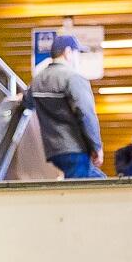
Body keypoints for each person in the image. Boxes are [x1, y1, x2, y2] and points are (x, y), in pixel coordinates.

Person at [29, 33, 104, 180]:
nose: (78, 59)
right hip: (75, 147)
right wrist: (96, 146)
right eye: (77, 53)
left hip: (54, 150)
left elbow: (26, 102)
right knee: (83, 194)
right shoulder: (73, 78)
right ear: (68, 52)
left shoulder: (37, 81)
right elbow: (86, 113)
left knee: (99, 182)